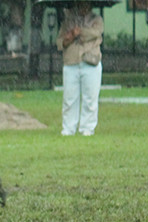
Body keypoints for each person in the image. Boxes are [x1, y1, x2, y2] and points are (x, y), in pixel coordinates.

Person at [56, 2, 103, 137]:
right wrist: (68, 37)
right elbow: (60, 42)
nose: (83, 7)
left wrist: (80, 32)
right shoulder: (68, 22)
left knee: (90, 98)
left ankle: (87, 128)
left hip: (90, 61)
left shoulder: (97, 20)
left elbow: (96, 33)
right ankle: (68, 128)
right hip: (71, 62)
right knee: (69, 98)